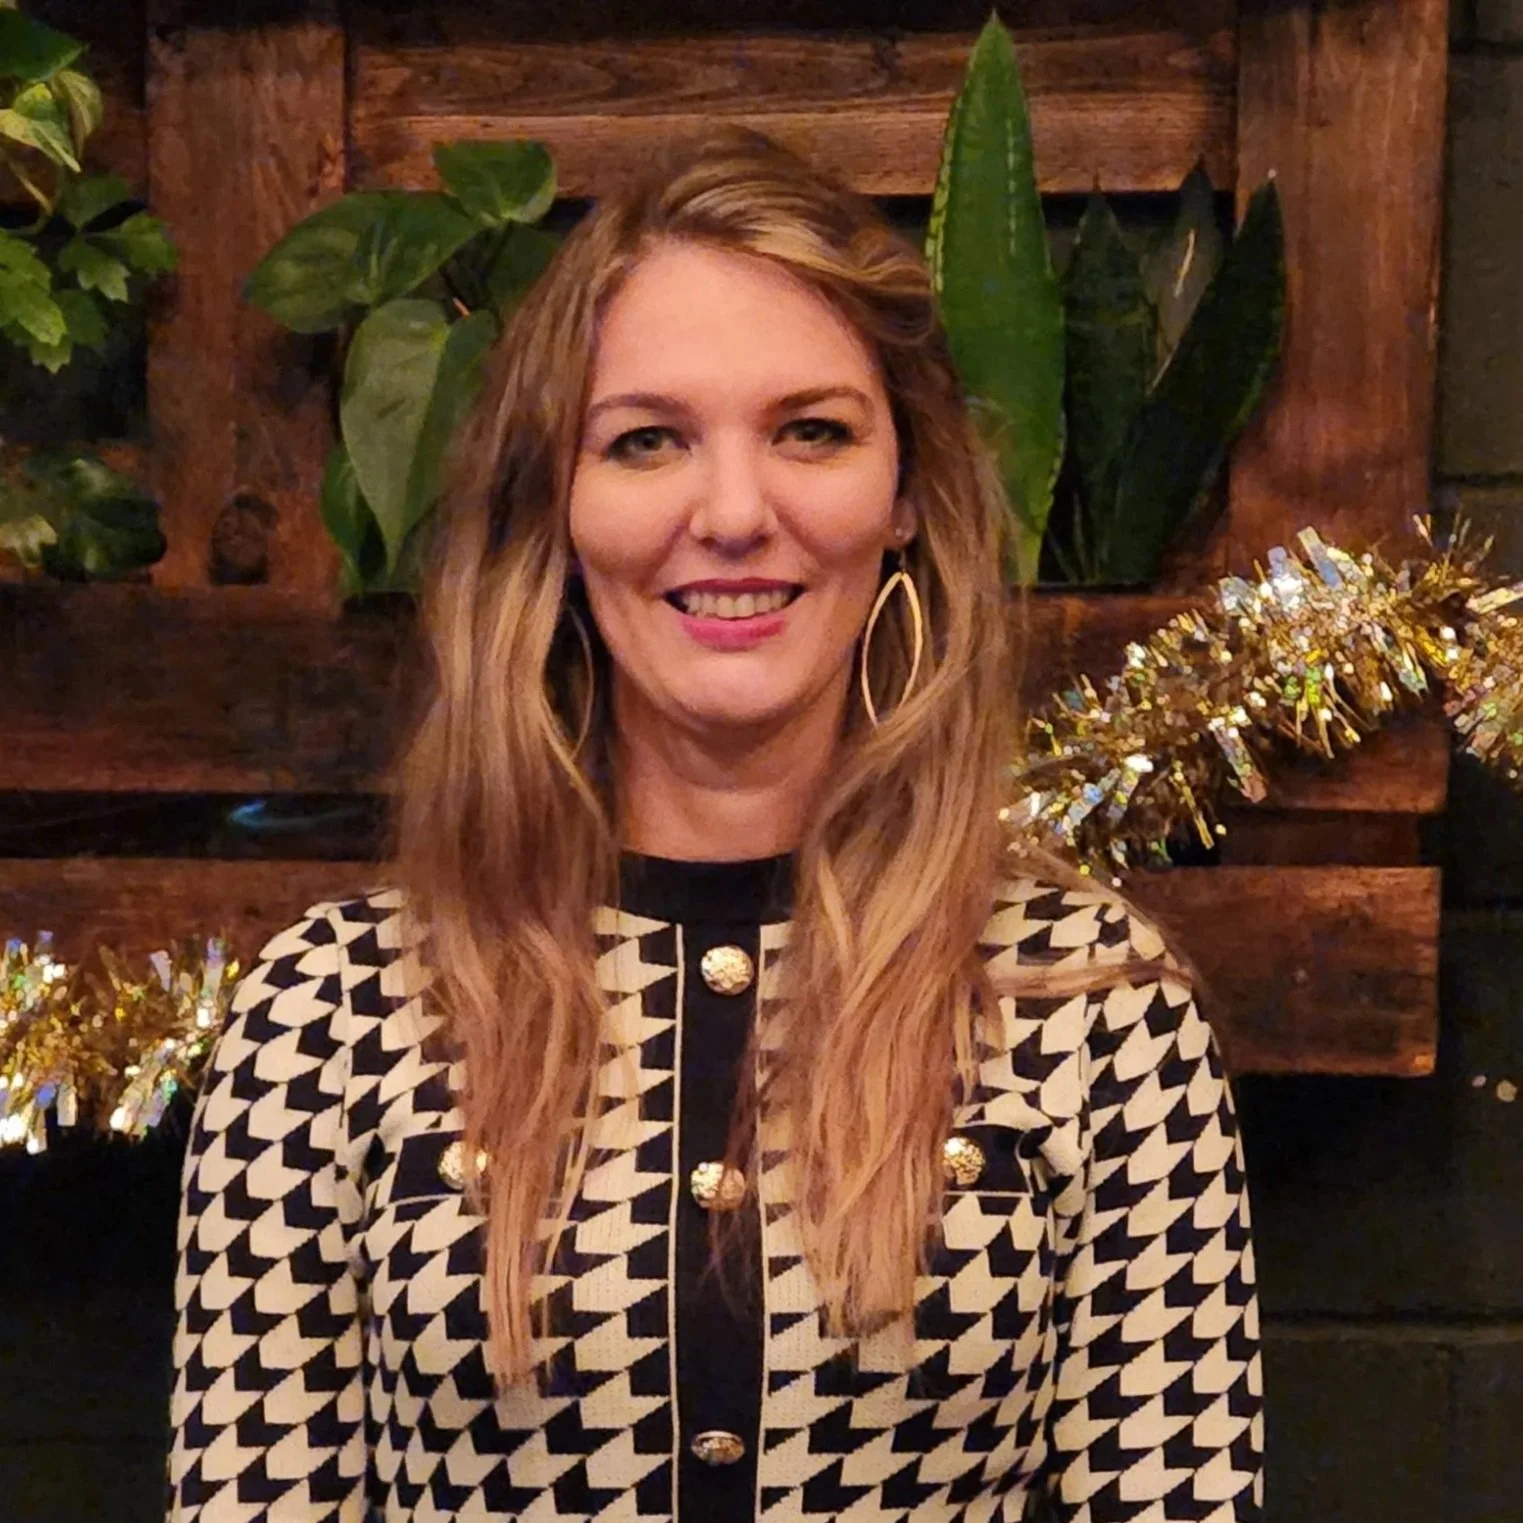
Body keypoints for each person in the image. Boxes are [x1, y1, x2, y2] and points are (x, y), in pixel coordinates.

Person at [168, 128, 1262, 1522]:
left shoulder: (1095, 1007)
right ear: (556, 510)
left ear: (904, 494)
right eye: (645, 441)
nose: (734, 513)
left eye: (810, 430)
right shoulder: (329, 1013)